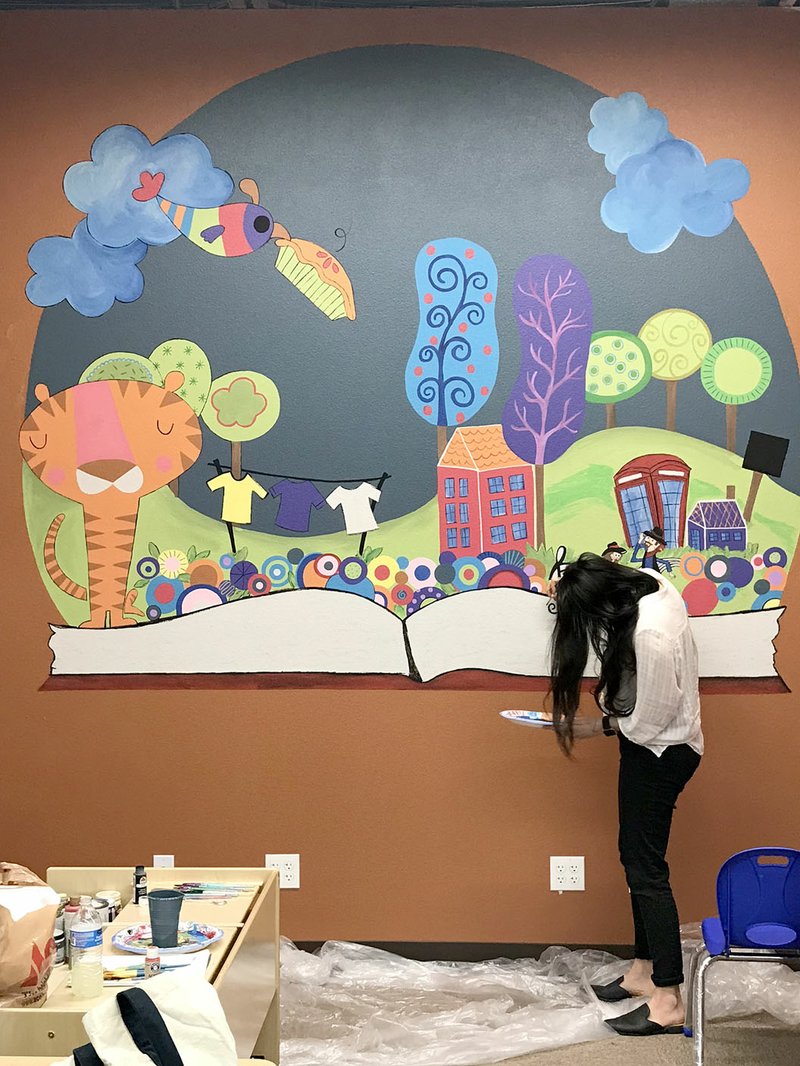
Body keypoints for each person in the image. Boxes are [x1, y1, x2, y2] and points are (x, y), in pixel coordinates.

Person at [547, 552, 703, 1038]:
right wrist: (565, 584)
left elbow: (651, 718)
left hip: (660, 749)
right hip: (657, 745)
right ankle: (641, 972)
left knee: (646, 869)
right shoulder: (645, 582)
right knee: (633, 856)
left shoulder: (650, 634)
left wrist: (598, 727)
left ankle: (668, 998)